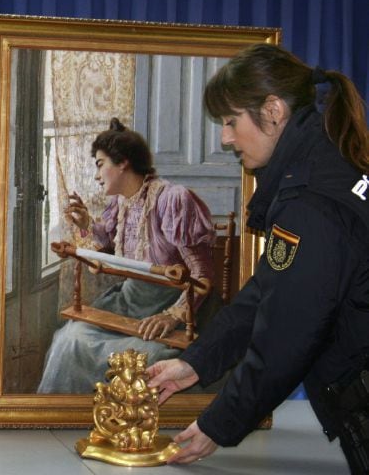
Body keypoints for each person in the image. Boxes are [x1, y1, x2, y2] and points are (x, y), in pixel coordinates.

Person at [146, 44, 369, 472]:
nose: (225, 138)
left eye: (231, 121)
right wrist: (195, 364)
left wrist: (217, 425)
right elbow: (268, 293)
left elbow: (287, 335)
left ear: (272, 110)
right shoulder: (328, 170)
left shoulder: (311, 202)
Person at [37, 118, 215, 393]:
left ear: (123, 163)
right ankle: (65, 417)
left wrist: (172, 317)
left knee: (147, 358)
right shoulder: (119, 204)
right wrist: (86, 225)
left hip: (172, 306)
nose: (96, 176)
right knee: (68, 340)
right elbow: (108, 245)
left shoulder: (173, 199)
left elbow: (203, 275)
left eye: (100, 164)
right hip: (128, 301)